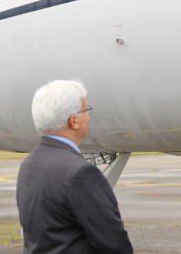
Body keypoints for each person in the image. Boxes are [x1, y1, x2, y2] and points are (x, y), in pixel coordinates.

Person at [16, 79, 133, 253]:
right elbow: (114, 244)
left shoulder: (28, 164)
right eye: (86, 111)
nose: (89, 117)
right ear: (74, 121)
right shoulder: (81, 173)